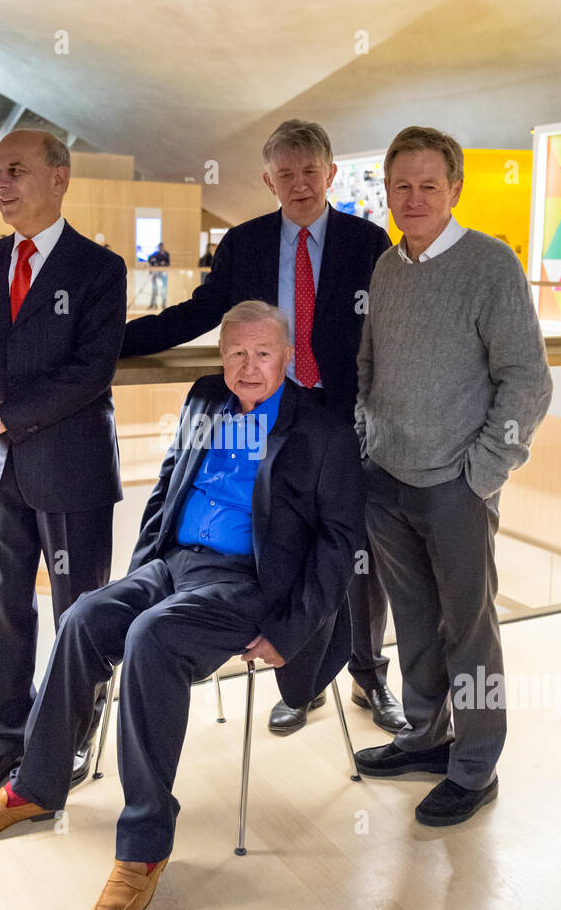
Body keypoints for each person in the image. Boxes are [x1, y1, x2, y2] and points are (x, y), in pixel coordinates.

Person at [0, 301, 363, 910]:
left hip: (250, 582)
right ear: (221, 356)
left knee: (151, 637)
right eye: (236, 353)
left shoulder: (322, 430)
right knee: (83, 618)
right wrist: (142, 572)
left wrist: (289, 630)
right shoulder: (204, 400)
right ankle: (35, 787)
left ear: (287, 356)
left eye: (262, 354)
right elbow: (169, 486)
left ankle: (143, 846)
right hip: (173, 565)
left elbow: (340, 543)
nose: (248, 367)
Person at [121, 118, 404, 738]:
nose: (300, 184)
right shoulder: (245, 243)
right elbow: (199, 312)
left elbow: (391, 331)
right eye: (286, 173)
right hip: (270, 422)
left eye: (310, 172)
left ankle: (369, 674)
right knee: (282, 550)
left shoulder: (367, 242)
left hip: (340, 421)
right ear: (268, 180)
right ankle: (303, 684)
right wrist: (110, 344)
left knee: (353, 553)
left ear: (331, 175)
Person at [0, 129, 127, 805]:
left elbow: (90, 373)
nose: (1, 183)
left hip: (72, 468)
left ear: (59, 178)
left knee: (79, 613)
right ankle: (3, 740)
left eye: (16, 170)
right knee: (3, 607)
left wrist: (1, 417)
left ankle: (70, 736)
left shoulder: (100, 269)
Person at [354, 125, 553, 826]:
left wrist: (483, 473)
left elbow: (528, 380)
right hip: (386, 479)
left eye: (429, 186)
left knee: (469, 632)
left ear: (455, 189)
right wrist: (367, 436)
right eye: (401, 186)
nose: (413, 198)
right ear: (387, 190)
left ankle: (474, 767)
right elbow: (370, 364)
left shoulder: (490, 265)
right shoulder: (387, 267)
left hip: (455, 487)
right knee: (414, 622)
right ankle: (426, 739)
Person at [147, 242, 170, 308]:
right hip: (156, 272)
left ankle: (163, 304)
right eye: (160, 247)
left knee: (164, 289)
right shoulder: (156, 254)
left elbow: (168, 263)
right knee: (155, 288)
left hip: (163, 272)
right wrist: (154, 265)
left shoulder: (166, 254)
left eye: (161, 246)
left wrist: (163, 264)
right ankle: (153, 304)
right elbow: (150, 259)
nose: (161, 248)